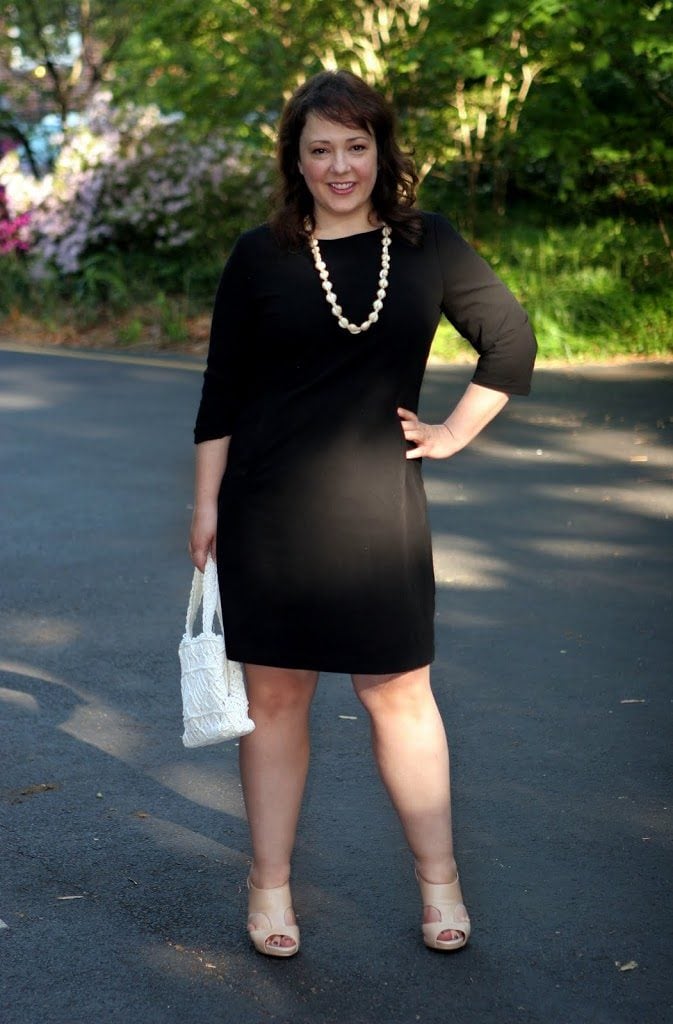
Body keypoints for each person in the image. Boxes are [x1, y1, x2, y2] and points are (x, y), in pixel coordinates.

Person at [189, 69, 536, 958]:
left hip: (379, 512)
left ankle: (439, 882)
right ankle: (269, 887)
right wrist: (204, 506)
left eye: (355, 145)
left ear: (380, 151)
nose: (339, 166)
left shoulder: (426, 243)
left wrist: (452, 433)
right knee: (275, 701)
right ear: (295, 161)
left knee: (400, 694)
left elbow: (509, 341)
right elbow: (222, 390)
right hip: (267, 510)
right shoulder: (258, 255)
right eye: (320, 150)